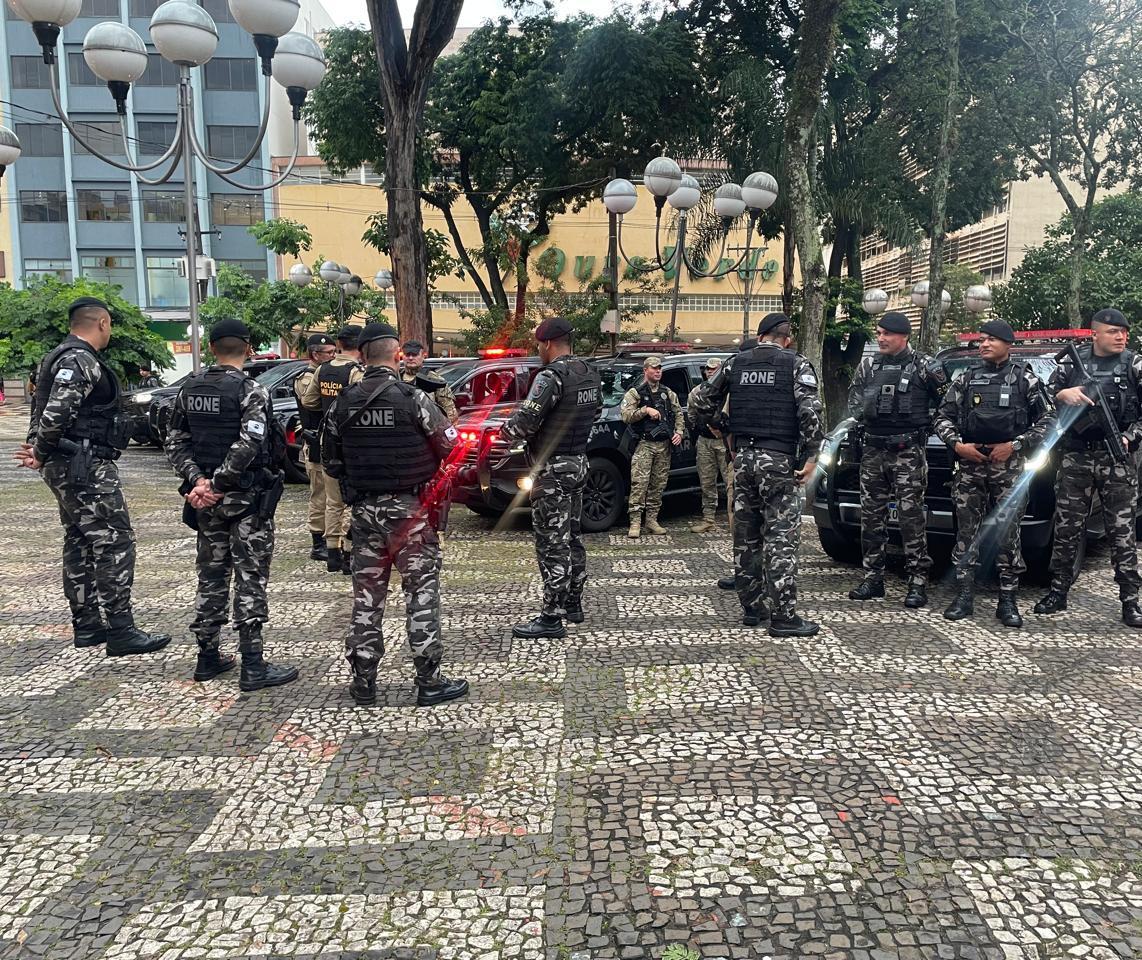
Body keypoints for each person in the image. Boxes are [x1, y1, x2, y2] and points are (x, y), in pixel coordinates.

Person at [322, 321, 469, 708]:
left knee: (367, 597)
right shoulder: (413, 399)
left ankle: (364, 682)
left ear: (360, 354)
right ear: (397, 354)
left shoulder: (344, 403)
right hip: (410, 513)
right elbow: (453, 449)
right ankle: (428, 681)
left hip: (365, 513)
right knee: (421, 594)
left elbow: (329, 461)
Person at [14, 297, 170, 655]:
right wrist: (40, 450)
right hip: (83, 465)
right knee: (115, 540)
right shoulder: (80, 359)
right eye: (110, 325)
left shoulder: (55, 357)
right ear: (102, 323)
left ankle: (87, 625)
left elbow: (40, 412)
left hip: (68, 462)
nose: (110, 331)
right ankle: (120, 629)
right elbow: (56, 413)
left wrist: (40, 449)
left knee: (81, 539)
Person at [164, 318, 298, 689]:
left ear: (211, 347)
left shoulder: (189, 388)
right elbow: (250, 443)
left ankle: (207, 656)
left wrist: (198, 482)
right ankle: (252, 664)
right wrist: (219, 483)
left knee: (211, 575)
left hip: (206, 502)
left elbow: (175, 440)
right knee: (250, 576)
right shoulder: (251, 390)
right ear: (249, 347)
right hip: (245, 500)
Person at [689, 312, 823, 637]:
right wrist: (811, 456)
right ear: (786, 338)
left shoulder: (736, 363)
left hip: (743, 459)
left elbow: (699, 401)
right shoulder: (796, 363)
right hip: (778, 460)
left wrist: (723, 427)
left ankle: (752, 608)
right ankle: (784, 617)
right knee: (781, 538)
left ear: (760, 336)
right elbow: (811, 414)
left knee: (746, 537)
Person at [934, 318, 1054, 627]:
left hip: (1008, 468)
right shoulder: (965, 379)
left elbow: (1048, 421)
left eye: (991, 340)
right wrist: (957, 445)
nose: (984, 344)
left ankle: (1007, 599)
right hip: (970, 467)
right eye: (981, 340)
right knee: (966, 534)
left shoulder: (1025, 381)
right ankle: (964, 596)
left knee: (1007, 534)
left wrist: (1015, 445)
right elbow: (942, 417)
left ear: (1007, 344)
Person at [1035, 308, 1142, 626]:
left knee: (1122, 534)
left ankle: (1131, 601)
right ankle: (1058, 592)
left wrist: (1129, 437)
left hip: (1116, 459)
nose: (1121, 336)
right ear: (1095, 333)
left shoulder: (1135, 364)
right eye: (1113, 331)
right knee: (1067, 529)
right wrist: (1061, 393)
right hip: (1076, 457)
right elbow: (1046, 397)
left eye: (1124, 331)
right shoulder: (1071, 362)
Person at [500, 316, 602, 639]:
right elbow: (596, 412)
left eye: (538, 345)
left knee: (551, 543)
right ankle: (573, 603)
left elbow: (524, 422)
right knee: (572, 535)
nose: (538, 350)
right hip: (579, 464)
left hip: (553, 471)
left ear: (547, 344)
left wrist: (505, 430)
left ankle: (551, 616)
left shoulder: (550, 377)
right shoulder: (589, 373)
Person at [846, 311, 947, 608]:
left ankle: (917, 580)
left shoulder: (925, 366)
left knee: (910, 517)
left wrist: (928, 429)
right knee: (871, 517)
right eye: (878, 333)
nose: (881, 338)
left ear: (904, 336)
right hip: (874, 451)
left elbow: (947, 406)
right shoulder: (869, 365)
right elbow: (854, 402)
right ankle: (872, 578)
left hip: (908, 453)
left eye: (887, 334)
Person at [300, 324, 363, 575]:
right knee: (354, 500)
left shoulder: (323, 369)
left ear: (340, 344)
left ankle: (332, 554)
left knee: (332, 501)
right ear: (361, 346)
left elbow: (308, 401)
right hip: (350, 443)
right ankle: (348, 551)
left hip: (327, 443)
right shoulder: (356, 372)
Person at [621, 355, 684, 538]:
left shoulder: (667, 392)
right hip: (644, 444)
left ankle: (652, 520)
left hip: (663, 445)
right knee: (640, 484)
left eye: (660, 368)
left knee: (658, 484)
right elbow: (626, 415)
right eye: (654, 368)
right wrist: (645, 410)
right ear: (645, 370)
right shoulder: (636, 392)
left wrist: (679, 432)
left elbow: (678, 413)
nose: (658, 371)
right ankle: (635, 522)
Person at [294, 332, 337, 562]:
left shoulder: (328, 374)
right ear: (314, 354)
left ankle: (332, 538)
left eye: (334, 352)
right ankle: (317, 540)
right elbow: (312, 402)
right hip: (314, 443)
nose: (332, 357)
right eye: (328, 353)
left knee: (332, 496)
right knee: (319, 494)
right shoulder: (306, 378)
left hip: (328, 441)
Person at [689, 357, 734, 535]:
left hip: (724, 441)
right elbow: (691, 415)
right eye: (708, 369)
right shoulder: (697, 391)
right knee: (706, 482)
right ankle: (708, 519)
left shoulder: (729, 391)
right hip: (705, 441)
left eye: (714, 369)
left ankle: (734, 520)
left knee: (730, 482)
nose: (710, 372)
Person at [401, 340, 459, 423]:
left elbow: (450, 413)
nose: (410, 358)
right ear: (403, 357)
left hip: (427, 430)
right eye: (407, 355)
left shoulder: (435, 381)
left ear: (423, 356)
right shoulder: (395, 378)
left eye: (415, 355)